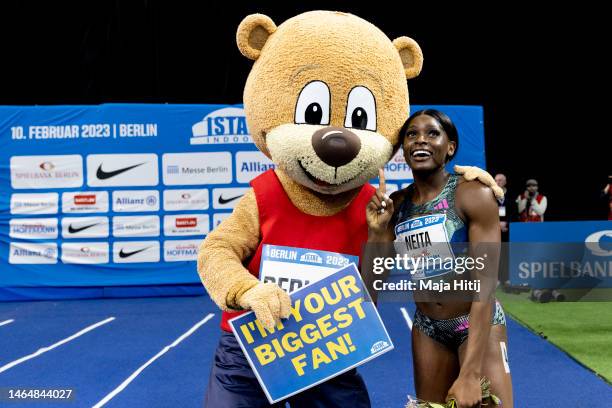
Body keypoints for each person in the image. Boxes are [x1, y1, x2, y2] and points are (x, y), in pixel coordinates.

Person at [366, 109, 513, 407]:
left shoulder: (472, 194)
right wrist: (378, 235)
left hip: (476, 320)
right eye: (412, 134)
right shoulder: (396, 205)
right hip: (428, 329)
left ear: (450, 147)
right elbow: (370, 290)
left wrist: (470, 373)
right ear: (403, 150)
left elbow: (486, 285)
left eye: (432, 133)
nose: (421, 140)